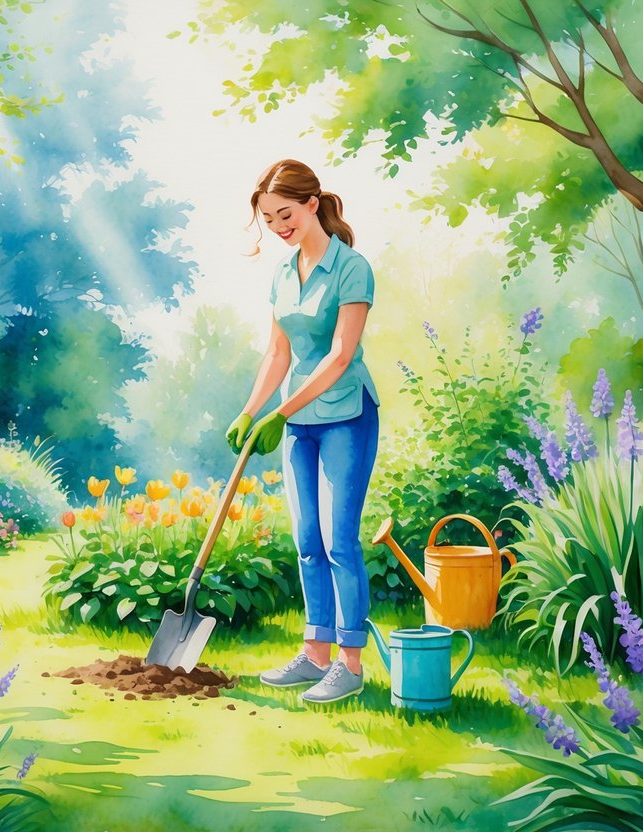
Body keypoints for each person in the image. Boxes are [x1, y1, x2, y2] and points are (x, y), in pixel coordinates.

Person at [226, 158, 380, 704]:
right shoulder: (280, 275)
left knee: (340, 542)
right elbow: (277, 352)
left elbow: (339, 356)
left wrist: (281, 411)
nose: (279, 226)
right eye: (268, 219)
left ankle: (350, 664)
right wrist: (250, 410)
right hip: (298, 424)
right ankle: (314, 655)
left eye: (285, 214)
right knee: (307, 541)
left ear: (313, 204)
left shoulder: (351, 268)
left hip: (344, 415)